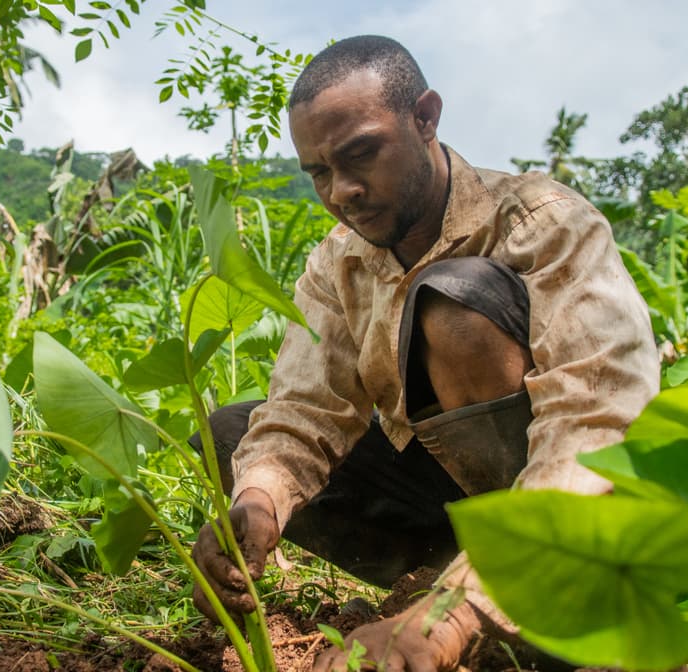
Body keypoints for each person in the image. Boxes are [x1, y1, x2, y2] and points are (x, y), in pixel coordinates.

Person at [189, 35, 660, 671]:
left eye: (361, 155)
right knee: (231, 437)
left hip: (572, 520)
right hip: (446, 511)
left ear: (426, 117)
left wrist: (457, 609)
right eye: (320, 172)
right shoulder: (337, 262)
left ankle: (521, 606)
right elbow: (305, 408)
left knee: (453, 306)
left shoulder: (540, 222)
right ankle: (437, 588)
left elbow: (597, 421)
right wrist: (260, 502)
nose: (342, 191)